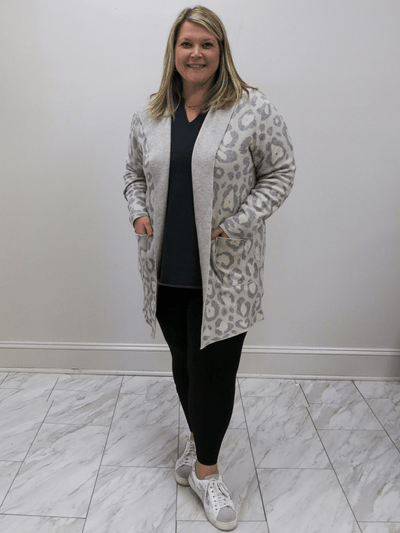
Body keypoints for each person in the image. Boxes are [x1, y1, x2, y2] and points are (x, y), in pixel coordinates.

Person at [123, 6, 295, 531]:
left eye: (207, 44)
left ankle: (207, 471)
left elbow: (280, 172)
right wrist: (139, 212)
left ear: (221, 51)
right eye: (187, 43)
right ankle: (201, 442)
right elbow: (133, 175)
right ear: (173, 52)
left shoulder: (252, 109)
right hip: (166, 268)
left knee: (214, 372)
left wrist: (238, 224)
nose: (195, 53)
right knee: (184, 364)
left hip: (225, 272)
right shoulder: (150, 115)